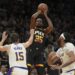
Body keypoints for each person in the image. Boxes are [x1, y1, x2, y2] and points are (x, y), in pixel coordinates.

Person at [27, 7, 53, 75]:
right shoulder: (32, 28)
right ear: (35, 23)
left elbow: (51, 27)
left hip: (39, 53)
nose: (39, 22)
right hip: (31, 51)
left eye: (40, 21)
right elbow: (33, 17)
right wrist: (39, 11)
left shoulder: (44, 31)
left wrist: (45, 15)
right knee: (27, 70)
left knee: (41, 72)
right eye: (37, 21)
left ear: (42, 23)